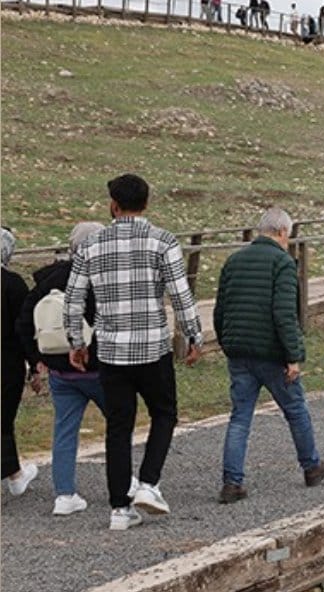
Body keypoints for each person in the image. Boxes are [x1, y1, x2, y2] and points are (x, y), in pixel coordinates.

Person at [63, 174, 204, 531]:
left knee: (118, 427)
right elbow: (180, 294)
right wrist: (194, 336)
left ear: (113, 204)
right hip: (152, 347)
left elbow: (73, 300)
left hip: (111, 351)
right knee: (164, 413)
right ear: (146, 204)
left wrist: (76, 343)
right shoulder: (162, 241)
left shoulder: (90, 245)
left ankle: (118, 509)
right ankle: (149, 483)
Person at [214, 209, 324, 503]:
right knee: (295, 409)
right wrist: (292, 356)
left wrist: (227, 342)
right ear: (283, 232)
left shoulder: (234, 260)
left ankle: (232, 482)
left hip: (239, 351)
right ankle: (311, 466)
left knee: (240, 417)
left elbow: (220, 310)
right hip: (271, 352)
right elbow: (284, 313)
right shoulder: (282, 263)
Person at [16, 222, 105, 515]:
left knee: (65, 431)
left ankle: (64, 495)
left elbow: (24, 322)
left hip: (59, 370)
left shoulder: (48, 280)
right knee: (119, 424)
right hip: (99, 367)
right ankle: (127, 482)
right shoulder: (101, 277)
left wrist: (36, 359)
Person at [2, 227, 39, 498]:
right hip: (7, 361)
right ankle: (14, 475)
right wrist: (35, 364)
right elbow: (24, 328)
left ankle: (14, 472)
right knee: (3, 419)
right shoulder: (13, 283)